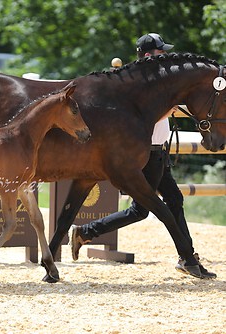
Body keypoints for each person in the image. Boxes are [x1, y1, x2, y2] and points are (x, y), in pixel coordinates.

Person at [69, 33, 216, 279]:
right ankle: (187, 258)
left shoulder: (158, 81)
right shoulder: (141, 84)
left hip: (158, 151)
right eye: (161, 52)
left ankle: (187, 258)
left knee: (170, 201)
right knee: (145, 209)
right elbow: (143, 119)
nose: (166, 55)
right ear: (149, 55)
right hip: (148, 153)